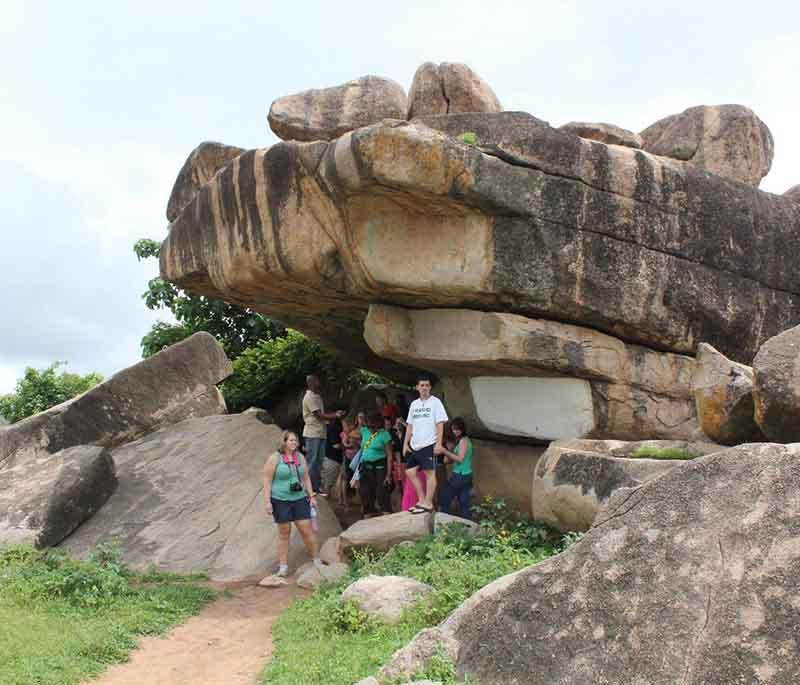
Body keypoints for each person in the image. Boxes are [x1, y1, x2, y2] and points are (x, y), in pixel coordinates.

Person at [263, 430, 321, 577]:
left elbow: (306, 477)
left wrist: (311, 495)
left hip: (299, 498)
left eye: (295, 440)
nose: (294, 443)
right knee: (284, 533)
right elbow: (267, 480)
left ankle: (316, 561)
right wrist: (267, 502)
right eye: (291, 440)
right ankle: (283, 567)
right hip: (280, 500)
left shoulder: (300, 457)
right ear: (284, 442)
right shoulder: (275, 458)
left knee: (306, 530)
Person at [403, 374, 448, 514]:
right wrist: (405, 443)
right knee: (410, 471)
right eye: (421, 385)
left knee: (430, 473)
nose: (424, 388)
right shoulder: (414, 404)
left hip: (429, 443)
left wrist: (439, 444)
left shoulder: (436, 402)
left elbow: (440, 423)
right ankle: (422, 500)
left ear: (430, 387)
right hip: (415, 444)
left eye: (427, 385)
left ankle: (428, 503)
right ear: (417, 387)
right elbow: (409, 425)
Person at [302, 374, 343, 493]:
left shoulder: (317, 396)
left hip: (321, 433)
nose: (319, 382)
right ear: (312, 382)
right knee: (312, 460)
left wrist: (332, 416)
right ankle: (308, 487)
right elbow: (318, 415)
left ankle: (316, 486)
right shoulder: (309, 397)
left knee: (319, 461)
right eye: (317, 380)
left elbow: (322, 415)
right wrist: (335, 415)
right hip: (312, 433)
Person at [358, 412, 394, 517]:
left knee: (382, 491)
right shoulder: (364, 431)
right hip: (366, 466)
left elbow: (390, 456)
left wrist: (388, 475)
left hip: (380, 466)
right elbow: (349, 433)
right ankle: (368, 512)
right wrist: (360, 422)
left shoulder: (384, 434)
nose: (371, 428)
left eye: (373, 426)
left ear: (378, 424)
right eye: (369, 426)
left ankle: (386, 511)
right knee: (366, 492)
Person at [438, 417, 474, 520]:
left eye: (457, 429)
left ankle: (444, 523)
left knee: (444, 498)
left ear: (463, 429)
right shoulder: (461, 441)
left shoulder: (463, 441)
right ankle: (467, 526)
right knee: (464, 502)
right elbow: (448, 461)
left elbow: (460, 459)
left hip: (460, 475)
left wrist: (444, 451)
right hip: (466, 475)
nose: (455, 431)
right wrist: (449, 450)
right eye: (453, 429)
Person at [320, 413, 344, 497]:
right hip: (333, 459)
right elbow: (336, 445)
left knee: (325, 482)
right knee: (328, 484)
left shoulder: (324, 428)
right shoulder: (334, 428)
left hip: (325, 457)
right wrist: (346, 445)